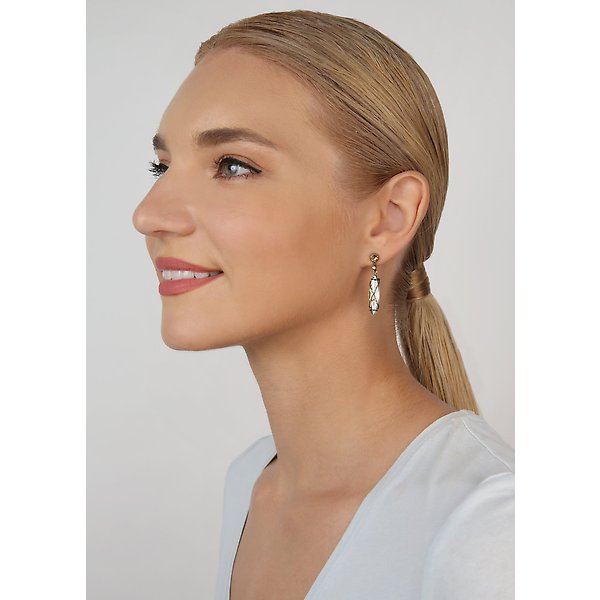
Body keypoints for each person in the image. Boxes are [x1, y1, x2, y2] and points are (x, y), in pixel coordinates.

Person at [131, 9, 514, 600]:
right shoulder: (252, 482)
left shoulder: (492, 530)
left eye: (232, 166)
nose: (149, 214)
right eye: (162, 166)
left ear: (388, 218)